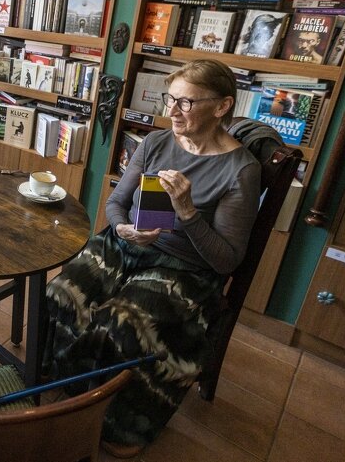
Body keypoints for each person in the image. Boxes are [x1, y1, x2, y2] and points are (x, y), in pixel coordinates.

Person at [42, 59, 261, 458]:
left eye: (186, 103)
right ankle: (67, 383)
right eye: (170, 99)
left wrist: (188, 211)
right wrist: (123, 227)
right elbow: (115, 203)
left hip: (186, 268)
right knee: (60, 291)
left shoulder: (240, 171)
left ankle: (123, 425)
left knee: (124, 322)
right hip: (127, 244)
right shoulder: (156, 143)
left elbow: (226, 261)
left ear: (222, 106)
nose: (173, 111)